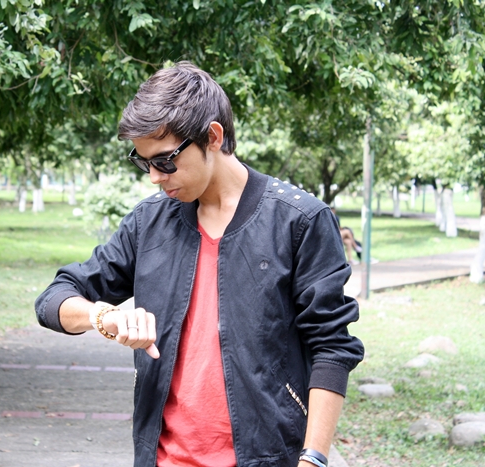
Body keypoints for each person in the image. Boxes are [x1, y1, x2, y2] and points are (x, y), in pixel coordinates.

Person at [35, 62, 364, 467]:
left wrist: (313, 458)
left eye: (164, 161)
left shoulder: (300, 222)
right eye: (144, 163)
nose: (154, 177)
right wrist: (102, 316)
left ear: (212, 136)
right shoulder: (149, 223)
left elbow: (331, 346)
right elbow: (54, 298)